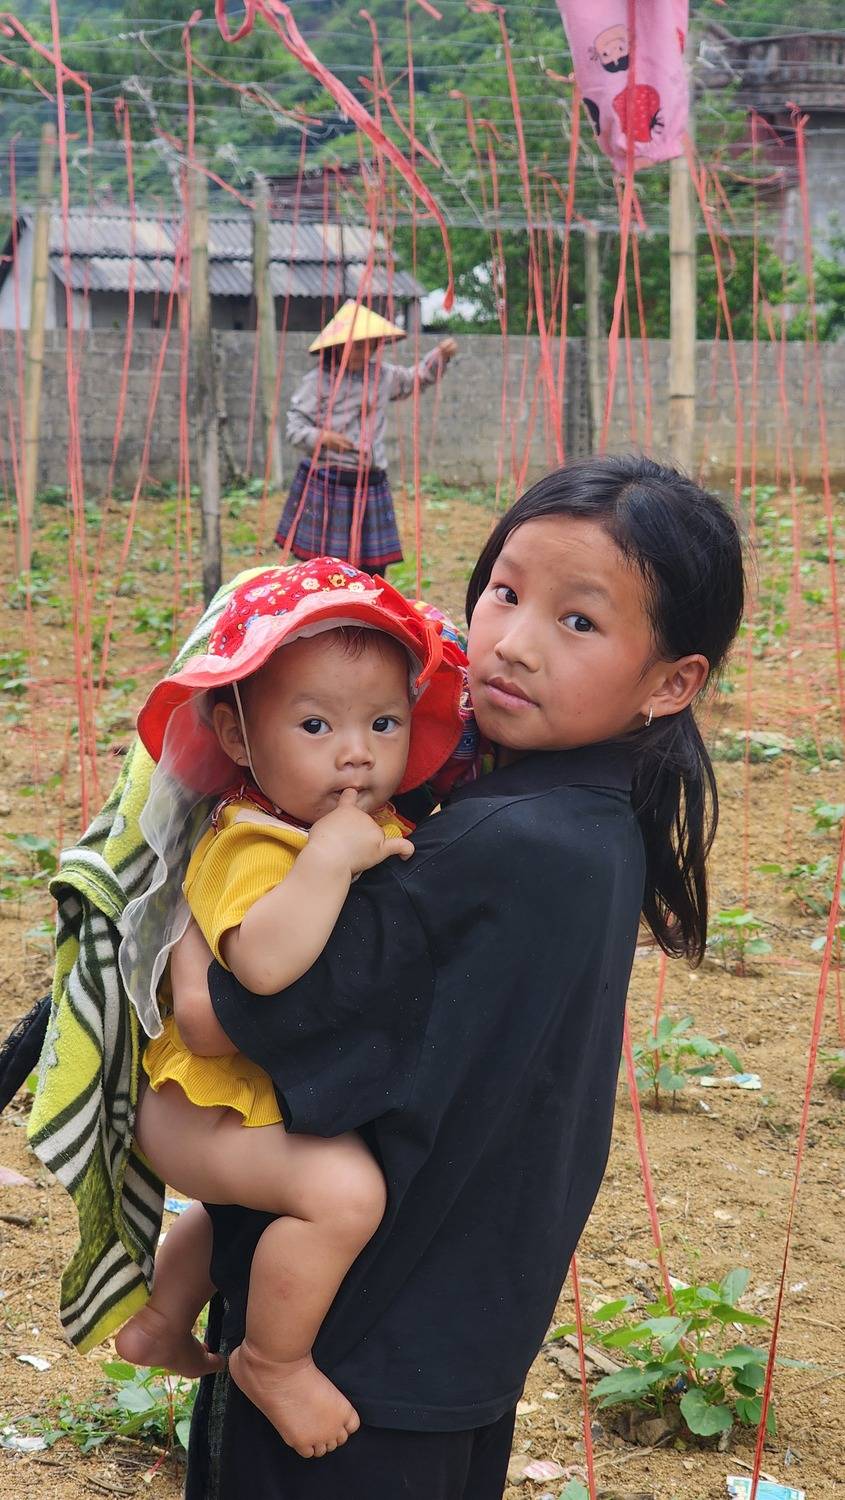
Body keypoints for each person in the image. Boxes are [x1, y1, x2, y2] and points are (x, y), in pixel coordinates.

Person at [175, 454, 745, 1499]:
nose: (512, 643)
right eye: (504, 592)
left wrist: (180, 903)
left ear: (672, 682)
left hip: (352, 1347)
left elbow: (215, 1016)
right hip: (456, 1331)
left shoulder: (499, 843)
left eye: (578, 621)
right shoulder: (587, 814)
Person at [112, 557, 465, 1459]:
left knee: (245, 1206)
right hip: (196, 1105)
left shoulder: (339, 819)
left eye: (383, 723)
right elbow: (264, 967)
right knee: (341, 1195)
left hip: (231, 1099)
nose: (356, 753)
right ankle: (273, 1359)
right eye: (315, 725)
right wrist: (329, 860)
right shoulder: (256, 841)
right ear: (236, 735)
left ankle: (161, 1318)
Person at [276, 298, 457, 571]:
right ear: (337, 347)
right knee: (323, 568)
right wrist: (323, 437)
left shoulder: (383, 376)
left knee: (371, 569)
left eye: (366, 346)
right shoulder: (317, 381)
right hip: (329, 481)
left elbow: (416, 378)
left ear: (375, 347)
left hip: (370, 482)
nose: (359, 353)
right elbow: (294, 427)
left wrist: (440, 356)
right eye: (352, 346)